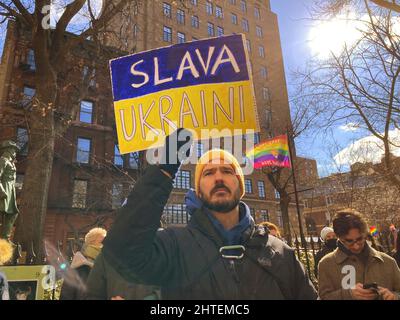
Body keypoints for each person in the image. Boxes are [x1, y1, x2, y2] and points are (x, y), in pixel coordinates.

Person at [103, 129, 317, 300]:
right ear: (198, 190)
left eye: (226, 171)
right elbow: (122, 251)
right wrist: (163, 170)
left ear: (240, 185)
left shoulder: (282, 254)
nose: (218, 178)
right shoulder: (173, 246)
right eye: (208, 172)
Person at [318, 209, 400, 300]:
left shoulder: (388, 262)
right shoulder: (326, 264)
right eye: (349, 241)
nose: (356, 246)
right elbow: (324, 297)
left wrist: (394, 296)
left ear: (365, 234)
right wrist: (349, 294)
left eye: (360, 239)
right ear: (339, 238)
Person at [60, 227, 106, 300]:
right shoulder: (77, 269)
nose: (104, 247)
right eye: (101, 243)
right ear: (90, 243)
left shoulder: (107, 268)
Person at [0, 140, 20, 241]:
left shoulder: (11, 163)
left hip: (10, 191)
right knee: (2, 213)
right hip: (4, 189)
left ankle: (5, 238)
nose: (15, 152)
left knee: (12, 213)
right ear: (8, 150)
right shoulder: (3, 160)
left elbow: (11, 179)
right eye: (14, 150)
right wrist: (1, 191)